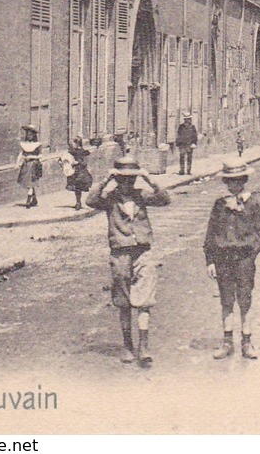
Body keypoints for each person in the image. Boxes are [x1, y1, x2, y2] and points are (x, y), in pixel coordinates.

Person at [86, 154, 171, 365]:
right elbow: (91, 200)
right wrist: (106, 180)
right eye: (123, 179)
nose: (127, 183)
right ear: (117, 179)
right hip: (120, 253)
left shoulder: (141, 195)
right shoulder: (110, 199)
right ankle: (127, 346)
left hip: (143, 251)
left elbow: (165, 199)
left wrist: (148, 178)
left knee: (145, 300)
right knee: (123, 301)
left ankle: (143, 347)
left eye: (131, 179)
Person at [204, 160, 260, 360]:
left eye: (238, 181)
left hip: (244, 260)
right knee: (226, 301)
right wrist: (210, 260)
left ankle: (247, 342)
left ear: (244, 181)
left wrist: (251, 252)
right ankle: (227, 343)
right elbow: (211, 234)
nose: (234, 185)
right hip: (223, 259)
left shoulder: (252, 204)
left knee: (245, 300)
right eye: (230, 182)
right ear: (226, 182)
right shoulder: (219, 205)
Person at [17, 125, 42, 208]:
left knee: (31, 183)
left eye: (31, 134)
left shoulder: (37, 145)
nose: (29, 136)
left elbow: (40, 156)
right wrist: (18, 162)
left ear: (34, 135)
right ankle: (34, 199)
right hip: (26, 165)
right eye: (27, 134)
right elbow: (21, 154)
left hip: (33, 164)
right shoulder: (24, 144)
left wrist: (31, 157)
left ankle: (28, 201)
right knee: (28, 182)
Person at [65, 136, 93, 210]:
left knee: (79, 187)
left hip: (81, 172)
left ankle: (80, 202)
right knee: (76, 188)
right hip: (74, 172)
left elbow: (84, 163)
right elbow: (66, 158)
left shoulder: (83, 152)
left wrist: (77, 162)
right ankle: (78, 202)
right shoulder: (72, 152)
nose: (71, 145)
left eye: (73, 144)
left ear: (78, 144)